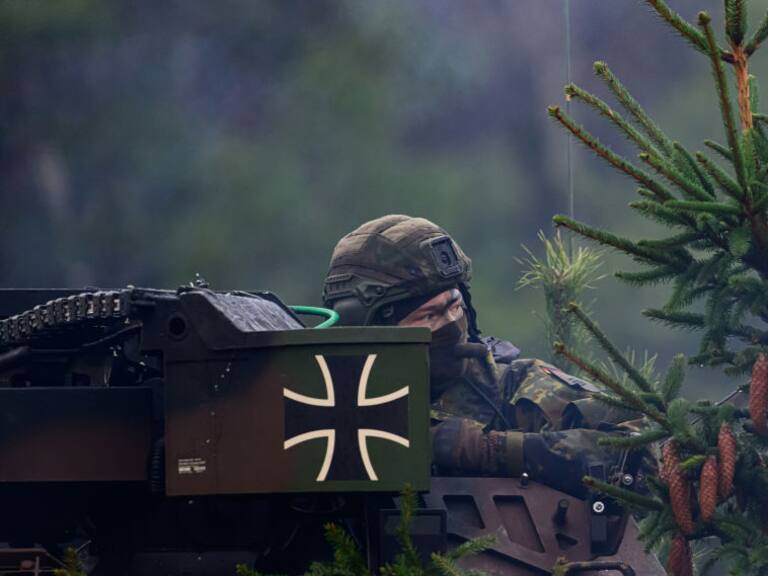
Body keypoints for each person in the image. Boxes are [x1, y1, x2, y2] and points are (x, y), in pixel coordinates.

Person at [322, 214, 644, 497]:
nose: (451, 324)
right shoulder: (322, 411)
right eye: (429, 316)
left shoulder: (514, 389)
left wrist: (490, 449)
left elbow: (642, 450)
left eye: (455, 305)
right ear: (371, 328)